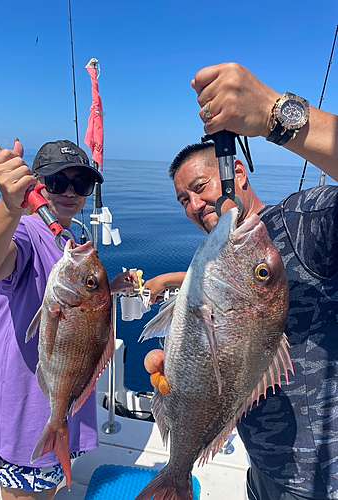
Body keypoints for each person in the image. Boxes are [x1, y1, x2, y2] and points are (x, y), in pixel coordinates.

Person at [143, 63, 338, 500]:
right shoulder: (223, 256)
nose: (195, 204)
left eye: (200, 186)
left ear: (239, 174)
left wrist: (276, 114)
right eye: (183, 199)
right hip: (261, 473)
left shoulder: (303, 225)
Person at [0, 139, 136, 500]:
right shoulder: (24, 231)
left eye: (81, 184)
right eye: (57, 182)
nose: (70, 192)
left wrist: (111, 288)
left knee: (48, 489)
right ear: (37, 185)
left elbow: (78, 305)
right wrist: (9, 208)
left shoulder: (69, 240)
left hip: (56, 395)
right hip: (22, 402)